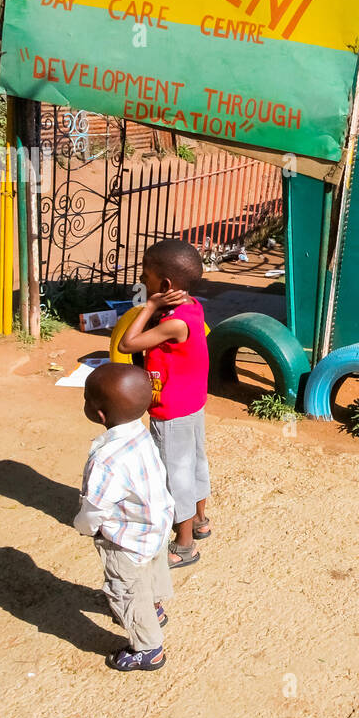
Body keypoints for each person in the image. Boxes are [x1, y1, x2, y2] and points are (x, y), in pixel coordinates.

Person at [117, 239, 211, 568]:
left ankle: (185, 545)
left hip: (172, 411)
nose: (142, 279)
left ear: (165, 285)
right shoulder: (192, 307)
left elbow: (128, 343)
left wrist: (148, 306)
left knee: (176, 475)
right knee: (195, 463)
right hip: (192, 403)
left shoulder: (171, 322)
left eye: (146, 273)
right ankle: (200, 520)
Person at [75, 362, 175, 672]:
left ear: (99, 414)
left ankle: (148, 649)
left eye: (86, 399)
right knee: (152, 569)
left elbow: (95, 506)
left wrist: (85, 527)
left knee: (125, 589)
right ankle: (155, 606)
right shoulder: (140, 435)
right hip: (155, 528)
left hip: (125, 540)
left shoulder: (106, 459)